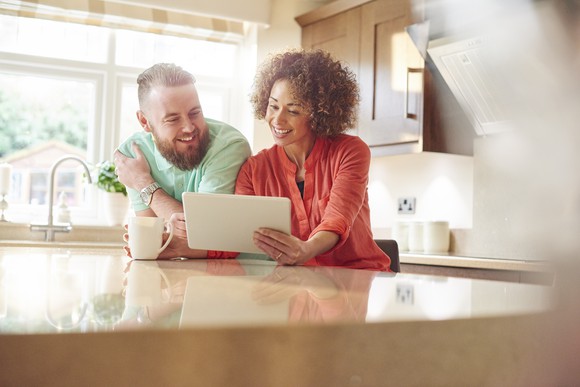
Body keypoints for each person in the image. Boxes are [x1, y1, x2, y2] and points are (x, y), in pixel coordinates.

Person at [235, 49, 391, 271]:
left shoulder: (350, 151)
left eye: (294, 111)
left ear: (319, 114)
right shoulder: (253, 170)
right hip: (297, 285)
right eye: (273, 106)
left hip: (356, 278)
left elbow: (337, 219)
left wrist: (306, 250)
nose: (277, 119)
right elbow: (239, 235)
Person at [114, 63, 251, 258]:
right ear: (145, 122)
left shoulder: (228, 146)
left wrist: (144, 183)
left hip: (238, 273)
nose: (189, 127)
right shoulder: (133, 153)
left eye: (195, 113)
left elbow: (203, 232)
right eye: (172, 119)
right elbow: (155, 239)